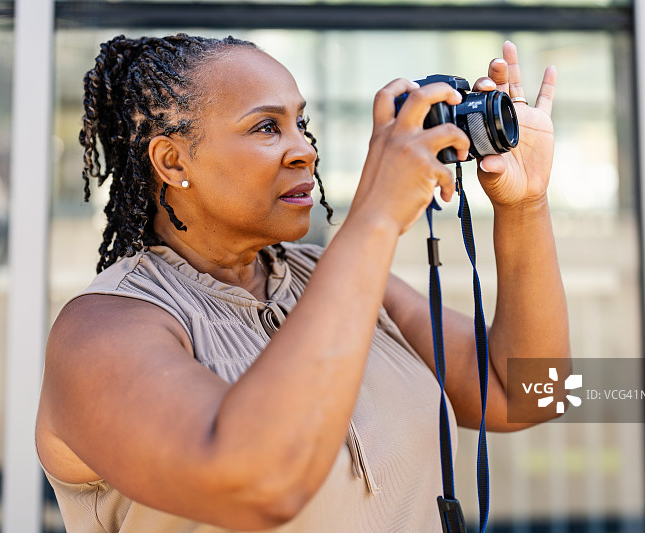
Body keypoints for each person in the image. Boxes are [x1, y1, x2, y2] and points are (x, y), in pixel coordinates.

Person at [35, 33, 569, 532]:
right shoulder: (102, 331)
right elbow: (257, 482)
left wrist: (525, 206)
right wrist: (375, 215)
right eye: (266, 127)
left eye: (300, 123)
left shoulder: (332, 276)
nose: (305, 150)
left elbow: (530, 394)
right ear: (172, 161)